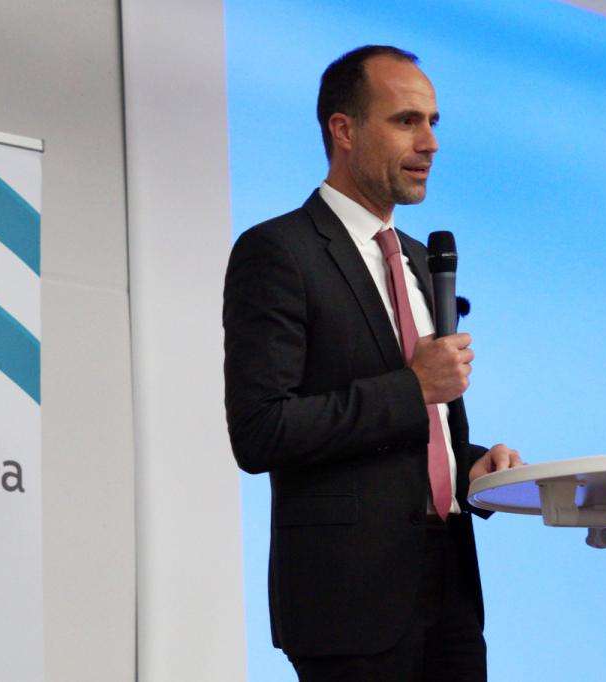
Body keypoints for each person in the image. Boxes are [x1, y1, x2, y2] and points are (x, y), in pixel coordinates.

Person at [222, 45, 524, 681]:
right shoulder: (279, 252)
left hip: (451, 588)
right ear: (344, 130)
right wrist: (411, 388)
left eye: (433, 122)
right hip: (348, 604)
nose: (430, 142)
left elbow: (421, 430)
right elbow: (260, 430)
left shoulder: (420, 259)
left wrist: (471, 468)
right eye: (406, 121)